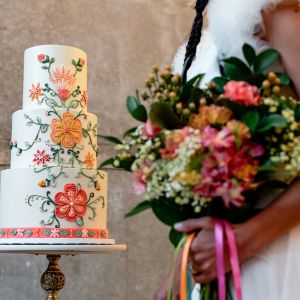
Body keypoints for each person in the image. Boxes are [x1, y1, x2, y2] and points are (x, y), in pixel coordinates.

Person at [154, 1, 300, 299]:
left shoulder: (273, 11)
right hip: (214, 272)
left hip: (273, 258)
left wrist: (241, 242)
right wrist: (176, 276)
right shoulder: (198, 49)